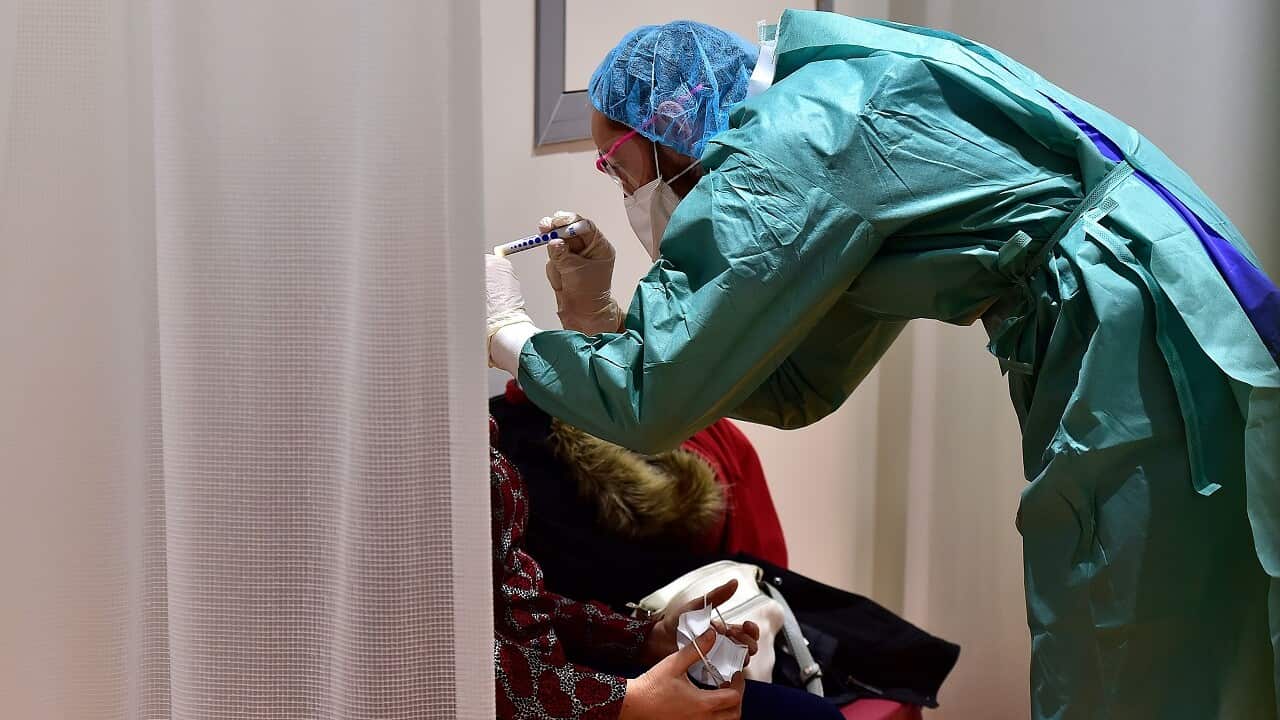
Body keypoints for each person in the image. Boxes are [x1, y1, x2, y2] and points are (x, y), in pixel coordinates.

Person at [484, 10, 1280, 720]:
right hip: (1124, 299)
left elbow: (652, 404)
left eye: (616, 168)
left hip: (1130, 323)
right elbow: (800, 385)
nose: (620, 191)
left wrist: (510, 333)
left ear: (666, 132)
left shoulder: (790, 146)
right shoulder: (821, 114)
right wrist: (607, 326)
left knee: (1133, 624)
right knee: (1161, 611)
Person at [488, 417, 844, 720]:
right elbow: (444, 662)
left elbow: (514, 602)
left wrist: (643, 637)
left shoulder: (473, 432)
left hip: (552, 672)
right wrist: (627, 701)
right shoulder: (486, 444)